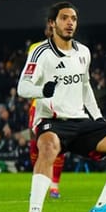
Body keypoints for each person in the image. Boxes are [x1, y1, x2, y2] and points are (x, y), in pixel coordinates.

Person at [17, 1, 106, 212]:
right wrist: (41, 91)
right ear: (52, 23)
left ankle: (102, 207)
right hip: (51, 122)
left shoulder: (83, 52)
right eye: (64, 18)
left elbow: (85, 88)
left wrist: (98, 117)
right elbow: (22, 87)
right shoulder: (41, 52)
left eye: (73, 18)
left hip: (81, 121)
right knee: (47, 149)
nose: (70, 23)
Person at [26, 26, 66, 198]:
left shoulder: (71, 49)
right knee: (36, 143)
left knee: (59, 145)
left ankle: (54, 186)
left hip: (61, 103)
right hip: (39, 102)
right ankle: (37, 182)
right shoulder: (35, 48)